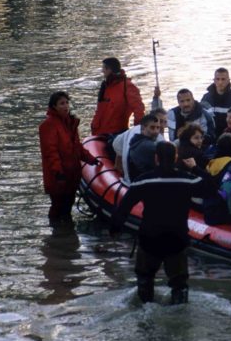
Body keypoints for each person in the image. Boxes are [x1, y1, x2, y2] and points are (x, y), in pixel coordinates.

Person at [110, 141, 210, 304]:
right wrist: (195, 168)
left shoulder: (142, 181)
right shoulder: (187, 181)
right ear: (176, 157)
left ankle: (145, 314)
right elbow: (211, 187)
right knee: (179, 284)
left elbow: (123, 208)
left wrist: (115, 228)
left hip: (150, 238)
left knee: (145, 278)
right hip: (177, 239)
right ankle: (179, 316)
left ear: (156, 158)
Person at [39, 91, 101, 235]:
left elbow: (77, 147)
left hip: (72, 172)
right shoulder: (48, 126)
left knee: (67, 206)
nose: (66, 106)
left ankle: (65, 236)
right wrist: (58, 172)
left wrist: (91, 159)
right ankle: (56, 234)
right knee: (57, 206)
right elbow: (50, 152)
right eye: (62, 103)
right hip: (59, 175)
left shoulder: (70, 123)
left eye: (67, 102)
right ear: (54, 106)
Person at [91, 57, 145, 137]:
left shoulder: (127, 86)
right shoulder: (106, 86)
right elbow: (100, 110)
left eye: (104, 68)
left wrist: (137, 131)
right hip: (100, 133)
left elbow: (138, 109)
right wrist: (94, 127)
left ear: (109, 69)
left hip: (117, 133)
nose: (102, 71)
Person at [114, 107, 167, 182]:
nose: (162, 126)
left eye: (165, 122)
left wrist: (118, 165)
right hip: (139, 182)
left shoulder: (132, 131)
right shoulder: (158, 140)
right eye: (160, 121)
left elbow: (117, 143)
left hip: (128, 179)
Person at [200, 68, 231, 134]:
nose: (220, 82)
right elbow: (201, 120)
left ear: (228, 80)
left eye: (223, 79)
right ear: (214, 80)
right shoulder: (206, 98)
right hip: (212, 137)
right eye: (218, 79)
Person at [126, 113, 164, 181]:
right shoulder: (147, 146)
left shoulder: (136, 142)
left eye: (158, 128)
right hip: (147, 185)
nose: (156, 131)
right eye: (152, 127)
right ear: (143, 128)